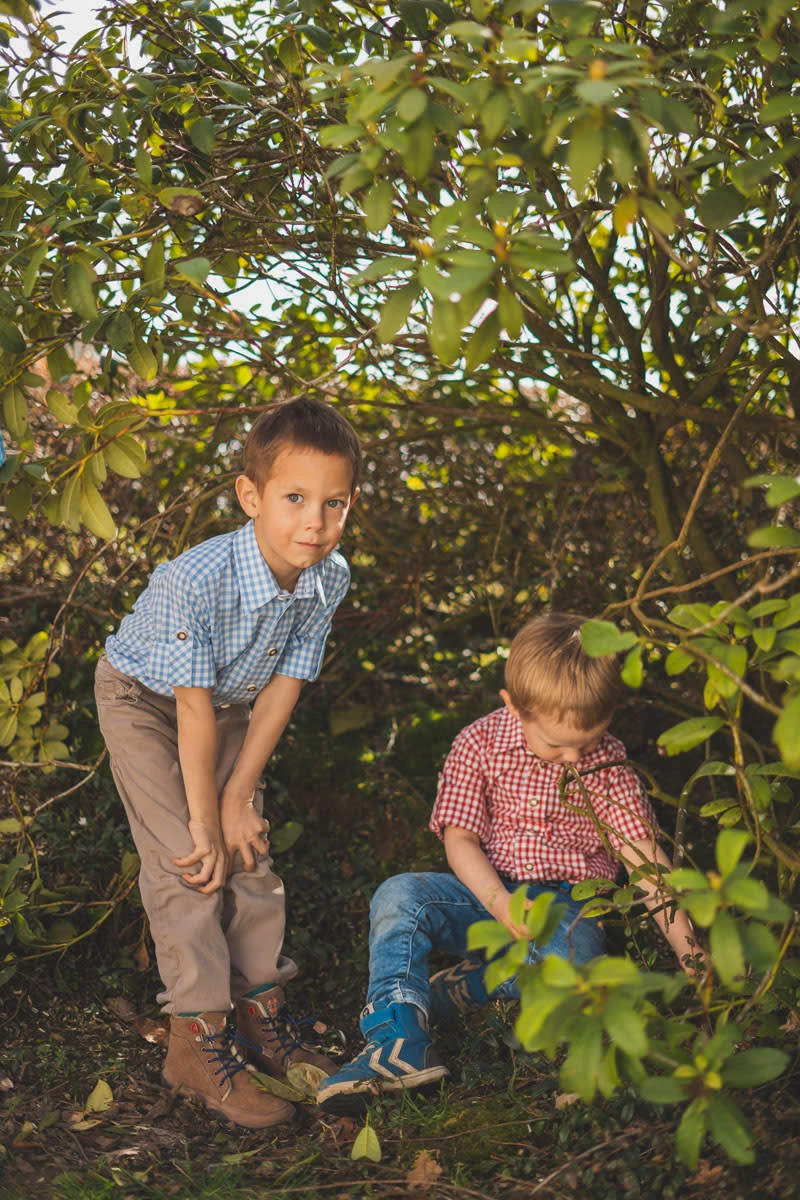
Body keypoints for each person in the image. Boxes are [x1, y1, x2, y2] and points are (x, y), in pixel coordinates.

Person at [95, 396, 361, 1130]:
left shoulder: (328, 574)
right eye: (295, 498)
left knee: (247, 848)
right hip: (147, 703)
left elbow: (286, 685)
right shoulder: (198, 578)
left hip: (233, 707)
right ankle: (196, 1039)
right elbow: (187, 707)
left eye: (333, 502)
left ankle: (258, 1012)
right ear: (251, 496)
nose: (315, 521)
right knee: (190, 856)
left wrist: (239, 798)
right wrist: (204, 819)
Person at [317, 611, 702, 1116]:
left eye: (584, 744)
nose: (572, 759)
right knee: (399, 896)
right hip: (485, 893)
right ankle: (398, 1038)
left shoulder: (608, 763)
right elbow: (461, 842)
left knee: (574, 961)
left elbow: (647, 863)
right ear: (513, 706)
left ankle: (481, 989)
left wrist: (693, 957)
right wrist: (498, 902)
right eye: (556, 744)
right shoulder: (478, 744)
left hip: (569, 904)